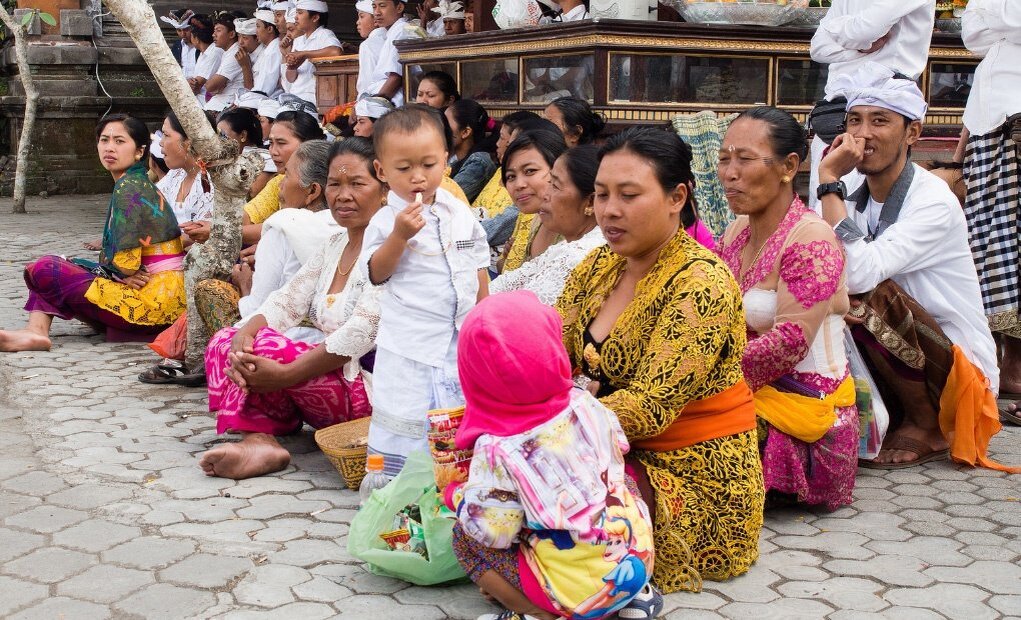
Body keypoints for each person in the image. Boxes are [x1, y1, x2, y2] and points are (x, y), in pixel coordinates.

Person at [557, 126, 764, 593]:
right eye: (601, 194)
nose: (609, 210)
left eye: (629, 195)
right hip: (599, 445)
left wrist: (547, 422)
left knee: (552, 511)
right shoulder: (597, 266)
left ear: (676, 197)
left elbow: (648, 409)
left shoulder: (702, 283)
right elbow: (552, 353)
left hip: (690, 474)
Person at [817, 64, 1013, 472]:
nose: (864, 134)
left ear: (912, 134)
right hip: (897, 357)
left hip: (960, 379)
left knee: (866, 294)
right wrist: (832, 188)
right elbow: (813, 257)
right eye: (855, 120)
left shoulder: (933, 200)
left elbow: (858, 275)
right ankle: (892, 415)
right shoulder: (848, 193)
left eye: (880, 121)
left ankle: (929, 426)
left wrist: (828, 182)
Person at [447, 291, 660, 620]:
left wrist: (459, 499)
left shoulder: (496, 447)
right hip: (638, 555)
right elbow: (618, 446)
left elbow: (495, 533)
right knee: (620, 482)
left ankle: (534, 613)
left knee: (464, 535)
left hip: (577, 594)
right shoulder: (583, 402)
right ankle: (637, 596)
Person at [199, 138, 384, 480]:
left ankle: (261, 435)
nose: (343, 195)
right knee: (228, 341)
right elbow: (286, 299)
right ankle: (260, 440)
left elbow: (360, 333)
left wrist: (285, 374)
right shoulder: (335, 243)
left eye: (357, 184)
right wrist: (247, 330)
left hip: (371, 395)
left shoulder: (388, 250)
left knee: (265, 348)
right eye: (335, 184)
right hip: (331, 384)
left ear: (384, 188)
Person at [716, 107, 857, 510]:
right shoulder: (737, 231)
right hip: (747, 385)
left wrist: (703, 376)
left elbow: (790, 343)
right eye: (724, 159)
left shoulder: (812, 240)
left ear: (788, 166)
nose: (730, 173)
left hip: (806, 408)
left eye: (744, 159)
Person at [361, 105, 490, 476]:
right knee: (410, 418)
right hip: (410, 345)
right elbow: (376, 273)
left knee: (457, 414)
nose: (418, 177)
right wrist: (400, 236)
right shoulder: (386, 220)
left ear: (446, 161)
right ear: (381, 171)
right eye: (404, 169)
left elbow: (478, 264)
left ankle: (454, 487)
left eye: (429, 165)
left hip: (460, 339)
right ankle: (404, 489)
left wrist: (483, 318)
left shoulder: (457, 211)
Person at [0, 115, 186, 352]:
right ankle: (35, 332)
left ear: (139, 151)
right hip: (160, 296)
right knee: (63, 265)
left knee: (47, 268)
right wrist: (118, 273)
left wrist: (119, 274)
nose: (109, 147)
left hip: (155, 300)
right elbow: (123, 266)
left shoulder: (130, 187)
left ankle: (36, 332)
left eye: (119, 141)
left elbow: (127, 265)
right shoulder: (132, 182)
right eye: (104, 140)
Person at [194, 140, 337, 340]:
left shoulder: (284, 227)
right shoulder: (359, 228)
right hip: (336, 347)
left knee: (210, 290)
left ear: (312, 191)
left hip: (287, 343)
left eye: (286, 176)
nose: (280, 184)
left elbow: (257, 309)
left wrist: (245, 285)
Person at [808, 0, 935, 210]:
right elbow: (818, 48)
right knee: (821, 205)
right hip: (833, 110)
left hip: (884, 105)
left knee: (865, 206)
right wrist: (860, 49)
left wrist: (839, 30)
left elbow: (866, 31)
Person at [959, 0, 1021, 423]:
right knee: (990, 250)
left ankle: (1016, 364)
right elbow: (969, 35)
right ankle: (1007, 361)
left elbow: (993, 25)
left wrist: (994, 21)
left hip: (1016, 124)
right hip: (986, 129)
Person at [491, 145, 604, 305]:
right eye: (510, 176)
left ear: (591, 202)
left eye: (555, 185)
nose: (545, 194)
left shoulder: (580, 255)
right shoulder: (564, 246)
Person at [242, 110, 326, 245]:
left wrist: (215, 231)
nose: (273, 151)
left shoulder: (326, 178)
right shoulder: (279, 181)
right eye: (271, 143)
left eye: (281, 143)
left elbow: (289, 229)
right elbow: (248, 217)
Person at [500, 128, 568, 273]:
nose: (519, 185)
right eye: (511, 176)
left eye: (530, 171)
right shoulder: (536, 220)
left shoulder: (578, 231)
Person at [157, 111, 215, 246]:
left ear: (188, 142)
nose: (161, 142)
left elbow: (197, 236)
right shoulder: (175, 175)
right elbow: (147, 207)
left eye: (166, 135)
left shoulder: (213, 182)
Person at [472, 111, 541, 223]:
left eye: (506, 142)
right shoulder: (501, 171)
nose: (498, 144)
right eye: (511, 177)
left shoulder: (527, 195)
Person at [281, 0, 343, 106]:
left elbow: (336, 51)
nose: (296, 17)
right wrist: (292, 66)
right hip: (295, 95)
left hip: (311, 98)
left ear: (315, 18)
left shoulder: (324, 34)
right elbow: (290, 79)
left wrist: (304, 54)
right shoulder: (298, 40)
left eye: (300, 13)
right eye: (296, 13)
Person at [367, 0, 419, 106]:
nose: (377, 12)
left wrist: (374, 106)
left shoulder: (402, 30)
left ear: (399, 7)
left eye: (382, 6)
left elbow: (396, 78)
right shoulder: (392, 32)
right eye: (374, 7)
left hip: (393, 102)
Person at [446, 99, 497, 203]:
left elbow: (447, 199)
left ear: (465, 132)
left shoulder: (479, 163)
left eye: (446, 124)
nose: (439, 128)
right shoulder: (454, 159)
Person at [216, 107, 274, 198]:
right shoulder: (228, 160)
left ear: (243, 135)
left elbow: (249, 195)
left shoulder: (265, 160)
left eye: (223, 136)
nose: (218, 141)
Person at [203, 11, 245, 113]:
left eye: (218, 31)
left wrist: (216, 86)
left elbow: (210, 86)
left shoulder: (235, 53)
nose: (213, 35)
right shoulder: (228, 51)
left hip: (227, 104)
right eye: (214, 31)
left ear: (231, 34)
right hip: (220, 102)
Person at [186, 15, 223, 106]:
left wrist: (191, 84)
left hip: (206, 102)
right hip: (197, 100)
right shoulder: (203, 53)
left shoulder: (214, 52)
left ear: (196, 39)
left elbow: (197, 85)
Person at [246, 10, 283, 99]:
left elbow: (265, 88)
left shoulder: (274, 50)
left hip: (265, 98)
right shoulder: (268, 49)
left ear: (270, 29)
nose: (256, 31)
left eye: (258, 27)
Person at [355, 0, 387, 100]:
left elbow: (367, 83)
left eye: (362, 16)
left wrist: (360, 104)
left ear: (376, 20)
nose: (357, 22)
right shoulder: (389, 37)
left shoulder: (368, 45)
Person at [161, 9, 197, 78]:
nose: (183, 34)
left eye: (186, 30)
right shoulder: (177, 46)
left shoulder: (202, 47)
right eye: (179, 30)